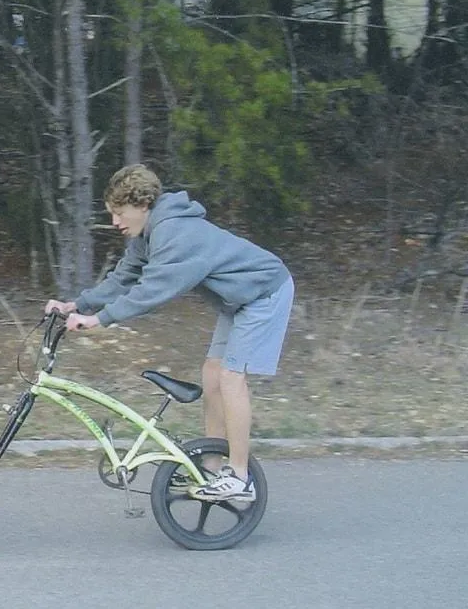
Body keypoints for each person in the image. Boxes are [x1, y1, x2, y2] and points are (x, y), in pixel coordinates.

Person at [44, 164, 294, 502]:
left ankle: (239, 476)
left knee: (231, 377)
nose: (115, 221)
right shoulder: (148, 234)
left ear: (142, 204)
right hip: (239, 300)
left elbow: (152, 291)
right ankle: (212, 466)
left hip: (264, 293)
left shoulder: (175, 233)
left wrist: (99, 320)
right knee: (212, 374)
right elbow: (124, 278)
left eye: (119, 212)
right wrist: (76, 305)